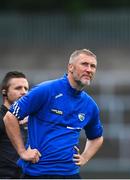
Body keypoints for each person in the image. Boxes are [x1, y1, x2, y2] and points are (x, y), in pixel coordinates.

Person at [3, 49, 104, 179]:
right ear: (70, 67)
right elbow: (9, 117)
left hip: (70, 174)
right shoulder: (46, 90)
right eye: (84, 64)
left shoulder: (90, 105)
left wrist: (84, 157)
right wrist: (22, 152)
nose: (89, 69)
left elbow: (96, 137)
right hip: (38, 173)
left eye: (93, 66)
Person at [0, 71, 29, 178]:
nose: (24, 92)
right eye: (18, 88)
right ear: (4, 93)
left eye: (26, 88)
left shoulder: (29, 118)